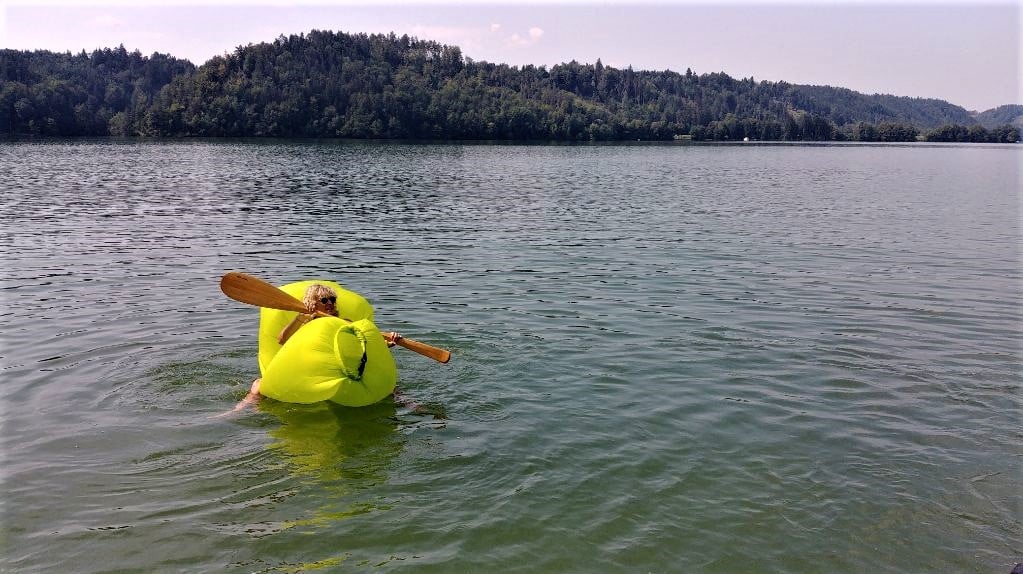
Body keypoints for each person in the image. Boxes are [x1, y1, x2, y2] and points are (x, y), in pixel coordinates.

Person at [218, 283, 399, 416]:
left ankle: (408, 404)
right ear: (311, 302)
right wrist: (302, 317)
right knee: (258, 385)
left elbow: (365, 345)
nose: (329, 303)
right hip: (304, 370)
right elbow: (282, 340)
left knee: (390, 387)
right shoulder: (302, 321)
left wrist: (389, 342)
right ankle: (240, 410)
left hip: (336, 370)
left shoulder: (346, 323)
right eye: (323, 300)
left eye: (332, 299)